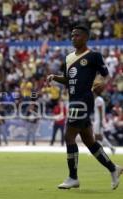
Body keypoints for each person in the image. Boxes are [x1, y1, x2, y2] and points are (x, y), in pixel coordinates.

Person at [47, 25, 122, 190]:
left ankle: (73, 177)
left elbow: (105, 74)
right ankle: (113, 168)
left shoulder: (94, 56)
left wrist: (101, 83)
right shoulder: (68, 58)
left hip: (84, 100)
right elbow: (68, 79)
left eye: (78, 35)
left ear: (86, 38)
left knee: (69, 136)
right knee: (89, 141)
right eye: (72, 35)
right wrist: (55, 77)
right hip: (73, 100)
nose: (74, 38)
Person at [93, 83, 116, 154]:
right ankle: (109, 148)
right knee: (99, 136)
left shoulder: (98, 100)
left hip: (98, 120)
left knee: (98, 136)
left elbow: (100, 112)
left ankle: (106, 148)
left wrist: (100, 123)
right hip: (99, 120)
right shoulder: (99, 99)